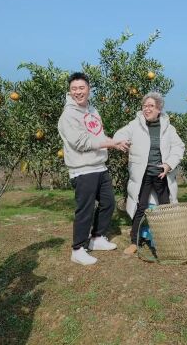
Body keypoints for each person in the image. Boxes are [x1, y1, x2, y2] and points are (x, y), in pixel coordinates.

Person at [58, 72, 130, 265]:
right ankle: (78, 249)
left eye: (81, 88)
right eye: (74, 89)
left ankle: (97, 238)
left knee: (108, 203)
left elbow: (98, 134)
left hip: (99, 166)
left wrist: (113, 142)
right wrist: (111, 144)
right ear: (70, 91)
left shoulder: (92, 110)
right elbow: (81, 142)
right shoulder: (69, 115)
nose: (78, 92)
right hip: (82, 169)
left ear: (89, 89)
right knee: (85, 210)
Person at [113, 92, 185, 255]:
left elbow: (179, 147)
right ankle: (134, 241)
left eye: (151, 106)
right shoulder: (135, 125)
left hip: (161, 174)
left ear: (159, 108)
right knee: (141, 207)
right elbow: (119, 134)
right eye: (145, 106)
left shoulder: (168, 128)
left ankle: (165, 240)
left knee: (165, 208)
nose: (147, 109)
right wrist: (121, 141)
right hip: (143, 174)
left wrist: (169, 164)